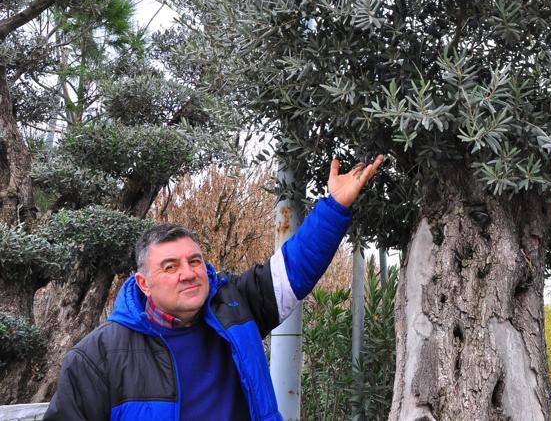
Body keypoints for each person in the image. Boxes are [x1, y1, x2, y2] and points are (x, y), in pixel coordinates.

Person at [44, 156, 384, 421]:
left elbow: (294, 268)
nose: (189, 273)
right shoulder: (97, 357)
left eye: (195, 261)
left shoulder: (235, 308)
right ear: (143, 284)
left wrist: (334, 206)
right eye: (170, 266)